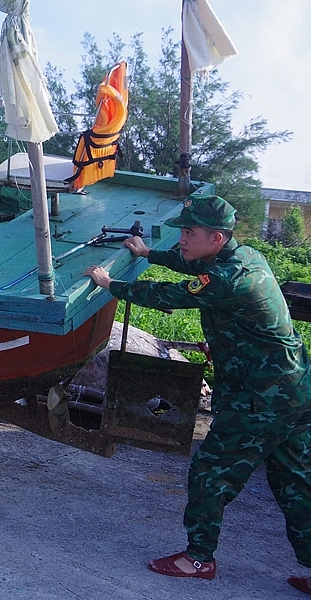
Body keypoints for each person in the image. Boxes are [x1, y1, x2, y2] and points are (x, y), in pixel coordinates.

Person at [84, 194, 311, 591]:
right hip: (293, 390)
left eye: (189, 232)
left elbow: (170, 296)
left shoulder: (228, 278)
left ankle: (197, 559)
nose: (183, 239)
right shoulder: (244, 257)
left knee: (210, 473)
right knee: (295, 481)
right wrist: (150, 253)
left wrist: (110, 284)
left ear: (217, 237)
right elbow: (191, 265)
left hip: (261, 398)